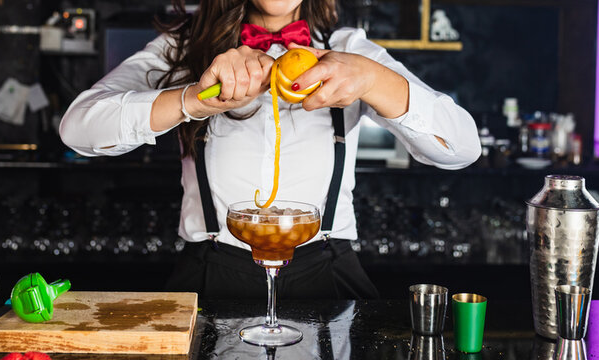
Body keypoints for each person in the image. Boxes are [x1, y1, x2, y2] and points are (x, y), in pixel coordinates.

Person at [59, 0, 481, 300]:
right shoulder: (184, 48)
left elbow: (461, 147)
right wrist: (192, 99)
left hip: (328, 273)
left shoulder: (351, 48)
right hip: (210, 274)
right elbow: (78, 128)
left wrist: (373, 80)